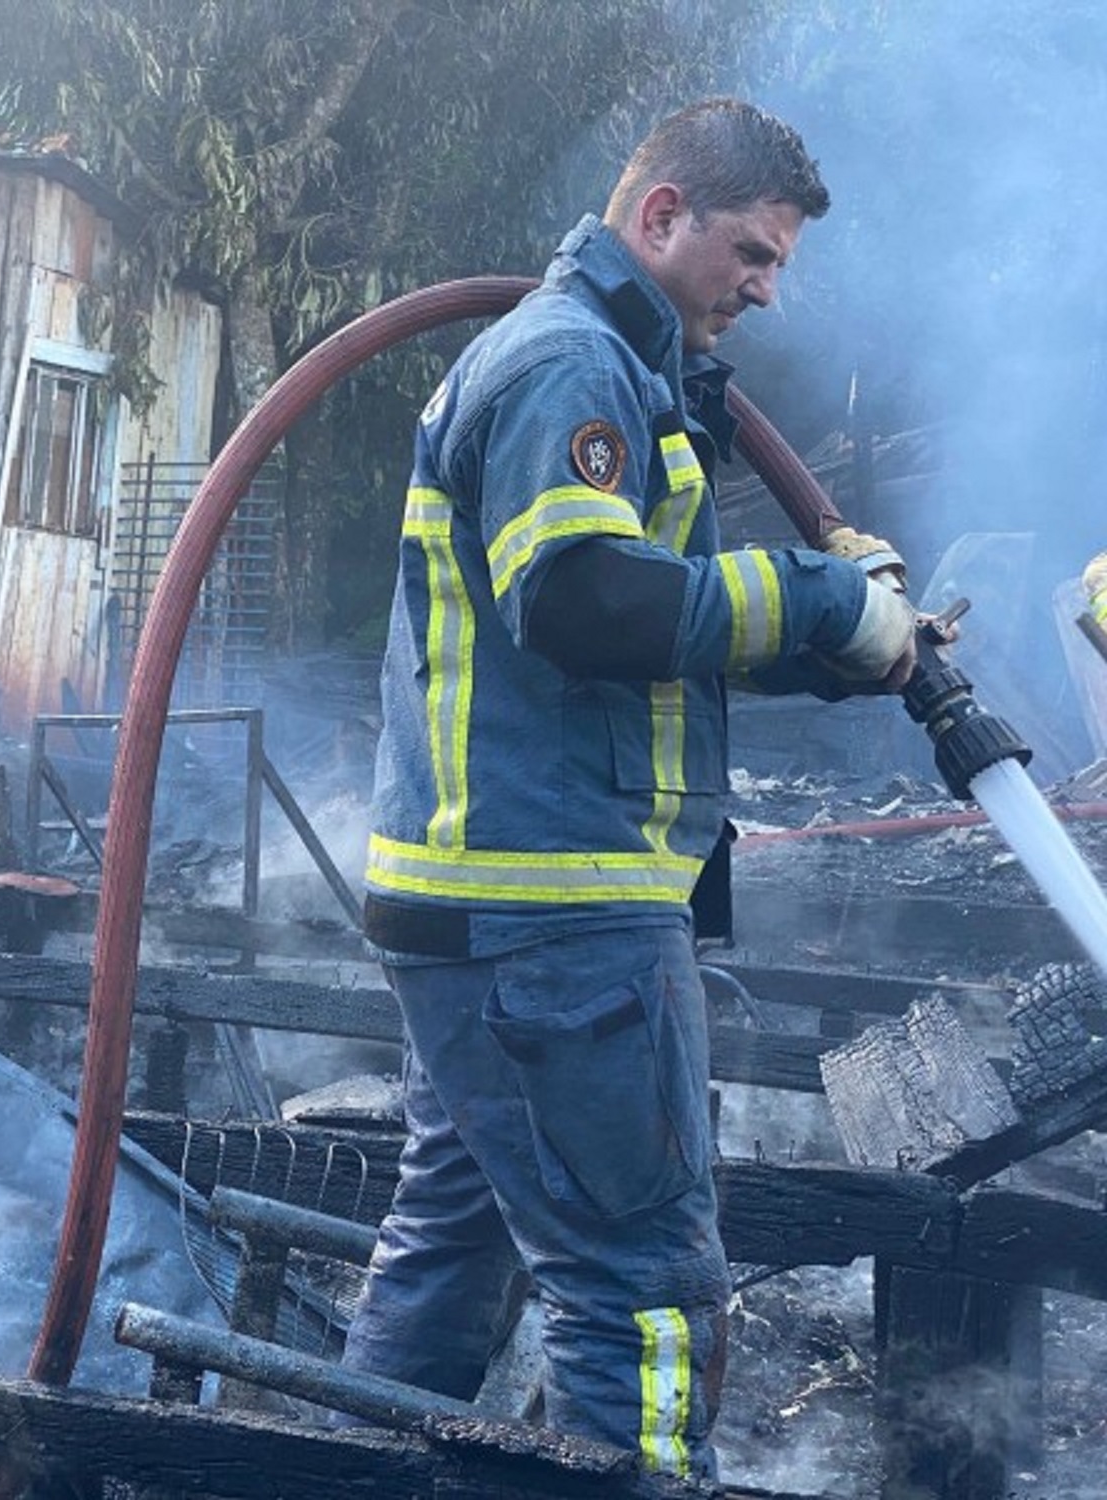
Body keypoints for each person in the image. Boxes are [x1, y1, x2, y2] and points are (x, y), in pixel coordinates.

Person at [341, 99, 918, 1478]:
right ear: (659, 216)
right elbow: (584, 600)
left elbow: (649, 641)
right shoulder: (567, 364)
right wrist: (823, 595)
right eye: (756, 253)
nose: (768, 290)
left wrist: (843, 649)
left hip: (497, 919)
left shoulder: (614, 370)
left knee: (450, 1264)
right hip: (561, 922)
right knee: (647, 1295)